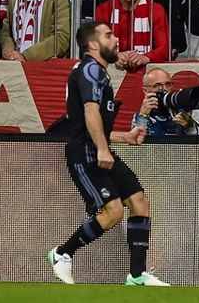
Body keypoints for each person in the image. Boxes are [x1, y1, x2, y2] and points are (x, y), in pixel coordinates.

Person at [47, 21, 169, 286]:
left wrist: (123, 136)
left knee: (139, 202)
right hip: (86, 156)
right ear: (93, 44)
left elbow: (91, 124)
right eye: (109, 35)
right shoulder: (91, 70)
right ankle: (62, 253)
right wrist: (103, 149)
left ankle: (137, 276)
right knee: (113, 212)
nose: (116, 39)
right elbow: (90, 113)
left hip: (99, 150)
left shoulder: (96, 72)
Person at [94, 0, 170, 69]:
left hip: (148, 70)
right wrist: (114, 56)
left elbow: (164, 48)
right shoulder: (103, 10)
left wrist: (145, 58)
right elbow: (96, 46)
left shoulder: (156, 10)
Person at [132, 67, 199, 136]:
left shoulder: (192, 107)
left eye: (167, 84)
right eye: (157, 85)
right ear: (146, 91)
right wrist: (143, 116)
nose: (164, 89)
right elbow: (136, 149)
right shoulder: (141, 115)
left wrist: (190, 127)